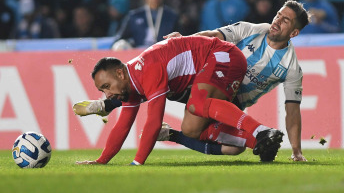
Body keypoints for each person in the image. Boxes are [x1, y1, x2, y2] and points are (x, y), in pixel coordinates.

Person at [73, 35, 284, 165]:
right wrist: (101, 161)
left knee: (196, 105)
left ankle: (260, 131)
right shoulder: (132, 85)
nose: (107, 94)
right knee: (192, 130)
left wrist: (137, 162)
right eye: (102, 90)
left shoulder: (147, 69)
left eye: (106, 87)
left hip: (222, 54)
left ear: (120, 73)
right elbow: (122, 126)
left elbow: (154, 122)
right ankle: (259, 141)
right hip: (211, 67)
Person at [160, 0, 310, 162]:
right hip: (211, 79)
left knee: (233, 147)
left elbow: (293, 112)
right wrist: (184, 40)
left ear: (294, 33)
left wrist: (296, 151)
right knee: (186, 118)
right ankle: (261, 133)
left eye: (285, 20)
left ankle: (170, 134)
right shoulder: (251, 30)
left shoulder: (291, 67)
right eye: (278, 15)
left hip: (233, 104)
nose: (277, 21)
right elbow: (212, 36)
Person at [112, 0, 178, 48]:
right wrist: (129, 43)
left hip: (164, 55)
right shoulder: (134, 16)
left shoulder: (172, 16)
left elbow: (181, 39)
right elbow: (119, 40)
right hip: (140, 56)